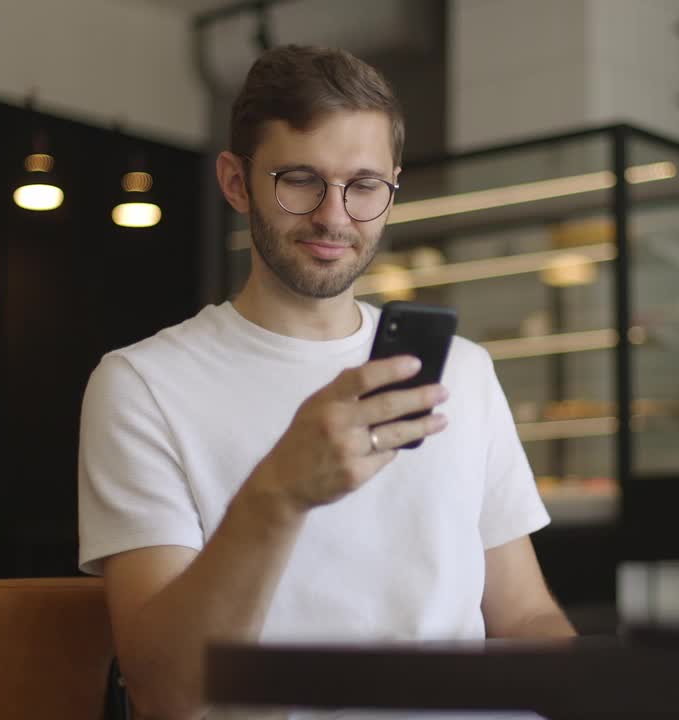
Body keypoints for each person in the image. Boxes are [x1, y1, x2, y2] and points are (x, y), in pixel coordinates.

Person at [77, 45, 574, 720]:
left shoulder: (465, 372)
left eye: (365, 185)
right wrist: (278, 493)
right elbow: (169, 693)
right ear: (235, 181)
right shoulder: (141, 386)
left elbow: (525, 616)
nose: (335, 216)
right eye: (301, 179)